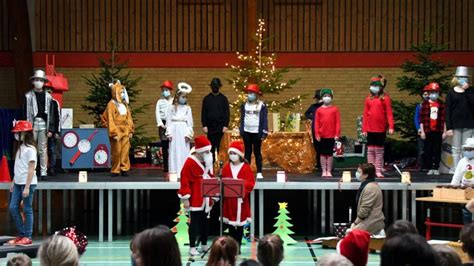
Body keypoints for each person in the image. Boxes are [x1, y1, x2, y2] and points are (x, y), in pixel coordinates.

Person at [177, 135, 214, 256]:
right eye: (207, 151)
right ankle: (192, 246)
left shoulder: (207, 161)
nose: (209, 153)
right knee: (194, 223)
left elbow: (211, 177)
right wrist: (186, 198)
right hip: (195, 197)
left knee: (205, 223)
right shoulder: (189, 163)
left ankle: (204, 244)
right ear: (200, 151)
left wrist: (213, 194)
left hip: (206, 197)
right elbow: (184, 181)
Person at [23, 70, 57, 179]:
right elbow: (24, 113)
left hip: (44, 124)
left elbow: (51, 114)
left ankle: (43, 172)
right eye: (36, 80)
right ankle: (31, 172)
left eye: (41, 80)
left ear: (44, 82)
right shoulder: (28, 96)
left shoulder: (48, 97)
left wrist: (51, 129)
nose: (38, 82)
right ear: (33, 81)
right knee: (31, 148)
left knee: (43, 149)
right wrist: (25, 128)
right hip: (31, 124)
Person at [8, 120, 37, 246]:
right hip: (18, 183)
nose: (17, 135)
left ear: (26, 133)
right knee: (13, 207)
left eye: (19, 133)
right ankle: (21, 234)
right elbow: (18, 166)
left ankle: (28, 236)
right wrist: (13, 181)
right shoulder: (20, 147)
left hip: (27, 184)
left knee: (27, 209)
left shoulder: (31, 149)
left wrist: (27, 187)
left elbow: (31, 169)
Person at [222, 141, 255, 248]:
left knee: (240, 226)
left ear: (239, 154)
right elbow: (222, 181)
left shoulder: (246, 167)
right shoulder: (226, 167)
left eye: (234, 153)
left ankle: (238, 246)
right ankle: (232, 247)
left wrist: (241, 187)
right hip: (230, 201)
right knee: (231, 225)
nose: (232, 155)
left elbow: (251, 183)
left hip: (241, 201)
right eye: (230, 153)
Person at [362, 75, 394, 178]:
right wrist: (364, 128)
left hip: (381, 128)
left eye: (376, 86)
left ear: (381, 87)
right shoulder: (368, 99)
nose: (374, 88)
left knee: (379, 151)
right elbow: (366, 114)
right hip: (370, 128)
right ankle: (370, 170)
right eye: (372, 86)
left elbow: (389, 113)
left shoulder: (385, 98)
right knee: (371, 150)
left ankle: (378, 170)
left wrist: (391, 126)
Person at [102, 80, 134, 177]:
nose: (123, 94)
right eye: (121, 92)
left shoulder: (125, 105)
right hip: (116, 130)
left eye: (123, 92)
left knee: (125, 150)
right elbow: (110, 119)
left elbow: (129, 118)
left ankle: (124, 168)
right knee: (116, 151)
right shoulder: (111, 104)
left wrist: (130, 130)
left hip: (125, 129)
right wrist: (113, 132)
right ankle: (115, 169)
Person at [445, 66, 474, 173]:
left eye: (465, 77)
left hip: (469, 124)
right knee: (456, 148)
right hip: (456, 124)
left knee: (465, 147)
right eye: (460, 77)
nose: (463, 79)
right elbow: (447, 110)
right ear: (456, 78)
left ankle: (465, 168)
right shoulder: (451, 93)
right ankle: (456, 168)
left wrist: (467, 91)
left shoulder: (471, 91)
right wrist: (449, 127)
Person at [239, 84, 268, 180]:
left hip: (257, 133)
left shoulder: (261, 105)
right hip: (247, 131)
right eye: (248, 93)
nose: (249, 95)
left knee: (257, 152)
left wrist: (264, 132)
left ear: (256, 94)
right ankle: (246, 172)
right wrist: (241, 129)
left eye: (251, 93)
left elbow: (264, 120)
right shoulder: (244, 105)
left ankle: (259, 172)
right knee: (247, 152)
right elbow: (242, 118)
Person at [167, 82, 194, 179]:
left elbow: (190, 123)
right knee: (174, 150)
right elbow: (169, 122)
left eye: (186, 97)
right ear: (178, 97)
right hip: (174, 130)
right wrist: (169, 132)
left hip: (183, 130)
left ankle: (183, 172)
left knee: (183, 151)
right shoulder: (171, 108)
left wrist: (188, 134)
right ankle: (174, 173)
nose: (184, 99)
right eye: (183, 96)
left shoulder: (187, 108)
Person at [419, 82, 447, 175]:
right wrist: (422, 131)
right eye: (432, 92)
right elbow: (421, 119)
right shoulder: (424, 104)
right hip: (427, 131)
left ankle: (436, 167)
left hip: (438, 131)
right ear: (429, 93)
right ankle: (430, 167)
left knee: (437, 150)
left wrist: (444, 132)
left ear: (438, 93)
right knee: (428, 150)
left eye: (435, 92)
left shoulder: (441, 104)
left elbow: (444, 119)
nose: (433, 94)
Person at [201, 78, 230, 163]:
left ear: (219, 87)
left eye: (216, 86)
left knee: (221, 148)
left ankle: (221, 166)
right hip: (210, 127)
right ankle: (211, 165)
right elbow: (203, 113)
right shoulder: (206, 99)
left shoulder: (224, 99)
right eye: (213, 86)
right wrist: (204, 125)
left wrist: (226, 125)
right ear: (211, 87)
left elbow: (227, 113)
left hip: (221, 127)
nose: (215, 87)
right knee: (211, 148)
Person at [351, 163, 384, 234]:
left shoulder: (370, 188)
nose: (357, 174)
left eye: (359, 172)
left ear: (366, 175)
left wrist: (355, 223)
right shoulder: (367, 185)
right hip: (367, 221)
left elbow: (365, 209)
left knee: (350, 234)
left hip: (372, 222)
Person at [314, 89, 341, 177]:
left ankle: (328, 171)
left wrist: (337, 134)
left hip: (331, 135)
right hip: (322, 136)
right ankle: (323, 170)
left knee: (329, 154)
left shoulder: (335, 109)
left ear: (332, 98)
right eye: (325, 96)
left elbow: (337, 122)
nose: (327, 98)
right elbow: (316, 123)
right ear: (322, 98)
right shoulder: (319, 110)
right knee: (322, 154)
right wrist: (317, 134)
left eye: (329, 96)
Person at [450, 138, 474, 224]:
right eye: (466, 149)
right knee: (466, 214)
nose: (467, 151)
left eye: (470, 149)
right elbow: (456, 177)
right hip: (464, 191)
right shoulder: (462, 161)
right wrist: (452, 189)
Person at [155, 80, 174, 175]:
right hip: (162, 124)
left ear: (170, 90)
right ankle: (166, 166)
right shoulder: (159, 101)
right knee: (164, 146)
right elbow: (157, 113)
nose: (164, 91)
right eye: (163, 90)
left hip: (171, 124)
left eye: (166, 89)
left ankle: (172, 165)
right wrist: (160, 124)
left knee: (172, 146)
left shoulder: (174, 101)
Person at [305, 89, 323, 170]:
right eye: (318, 98)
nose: (319, 100)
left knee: (325, 147)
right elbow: (306, 113)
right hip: (315, 129)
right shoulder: (313, 106)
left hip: (325, 129)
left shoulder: (326, 107)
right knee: (317, 147)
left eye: (320, 98)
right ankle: (319, 164)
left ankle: (325, 164)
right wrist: (313, 117)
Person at [45, 87, 60, 176]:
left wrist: (56, 131)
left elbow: (57, 117)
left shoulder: (54, 103)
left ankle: (52, 168)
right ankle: (43, 167)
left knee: (52, 149)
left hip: (52, 130)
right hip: (42, 130)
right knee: (42, 150)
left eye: (50, 92)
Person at [414, 90, 430, 171]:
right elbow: (416, 118)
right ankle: (420, 165)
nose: (426, 96)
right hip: (422, 130)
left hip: (430, 130)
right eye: (425, 94)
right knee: (421, 150)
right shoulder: (419, 106)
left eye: (428, 94)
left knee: (429, 148)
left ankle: (428, 165)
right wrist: (418, 128)